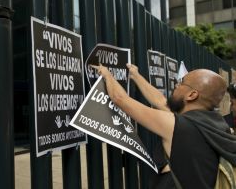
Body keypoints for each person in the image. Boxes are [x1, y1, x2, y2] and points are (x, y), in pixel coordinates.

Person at [91, 63, 236, 189]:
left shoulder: (177, 125)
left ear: (192, 95)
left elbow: (120, 99)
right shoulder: (217, 124)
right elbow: (160, 101)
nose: (176, 85)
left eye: (181, 83)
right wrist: (136, 76)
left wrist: (107, 76)